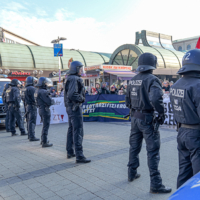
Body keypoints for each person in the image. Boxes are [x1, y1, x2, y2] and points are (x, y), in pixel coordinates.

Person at [126, 53, 171, 193]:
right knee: (152, 151)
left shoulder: (132, 80)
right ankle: (156, 184)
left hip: (134, 118)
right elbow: (157, 98)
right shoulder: (153, 79)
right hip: (147, 119)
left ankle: (131, 173)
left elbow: (127, 101)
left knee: (134, 147)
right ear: (153, 64)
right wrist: (161, 113)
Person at [170, 49, 200, 188]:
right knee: (197, 177)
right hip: (196, 135)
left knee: (183, 172)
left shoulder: (176, 85)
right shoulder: (198, 85)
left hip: (181, 132)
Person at [64, 61, 91, 163]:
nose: (81, 70)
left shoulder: (69, 78)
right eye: (80, 68)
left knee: (71, 129)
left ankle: (70, 151)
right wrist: (81, 99)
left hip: (70, 107)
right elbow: (72, 94)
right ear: (75, 69)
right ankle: (79, 156)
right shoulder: (75, 79)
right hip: (75, 107)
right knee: (78, 131)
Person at [34, 77, 54, 147]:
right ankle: (44, 142)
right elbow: (50, 101)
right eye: (45, 82)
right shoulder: (43, 91)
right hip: (45, 110)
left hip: (40, 109)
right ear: (42, 83)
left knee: (44, 125)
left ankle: (43, 140)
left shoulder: (37, 90)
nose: (46, 84)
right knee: (46, 126)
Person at [24, 76, 40, 142]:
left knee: (29, 121)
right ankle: (32, 136)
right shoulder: (32, 89)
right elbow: (34, 98)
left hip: (27, 106)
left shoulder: (25, 88)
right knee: (32, 121)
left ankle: (29, 135)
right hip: (32, 106)